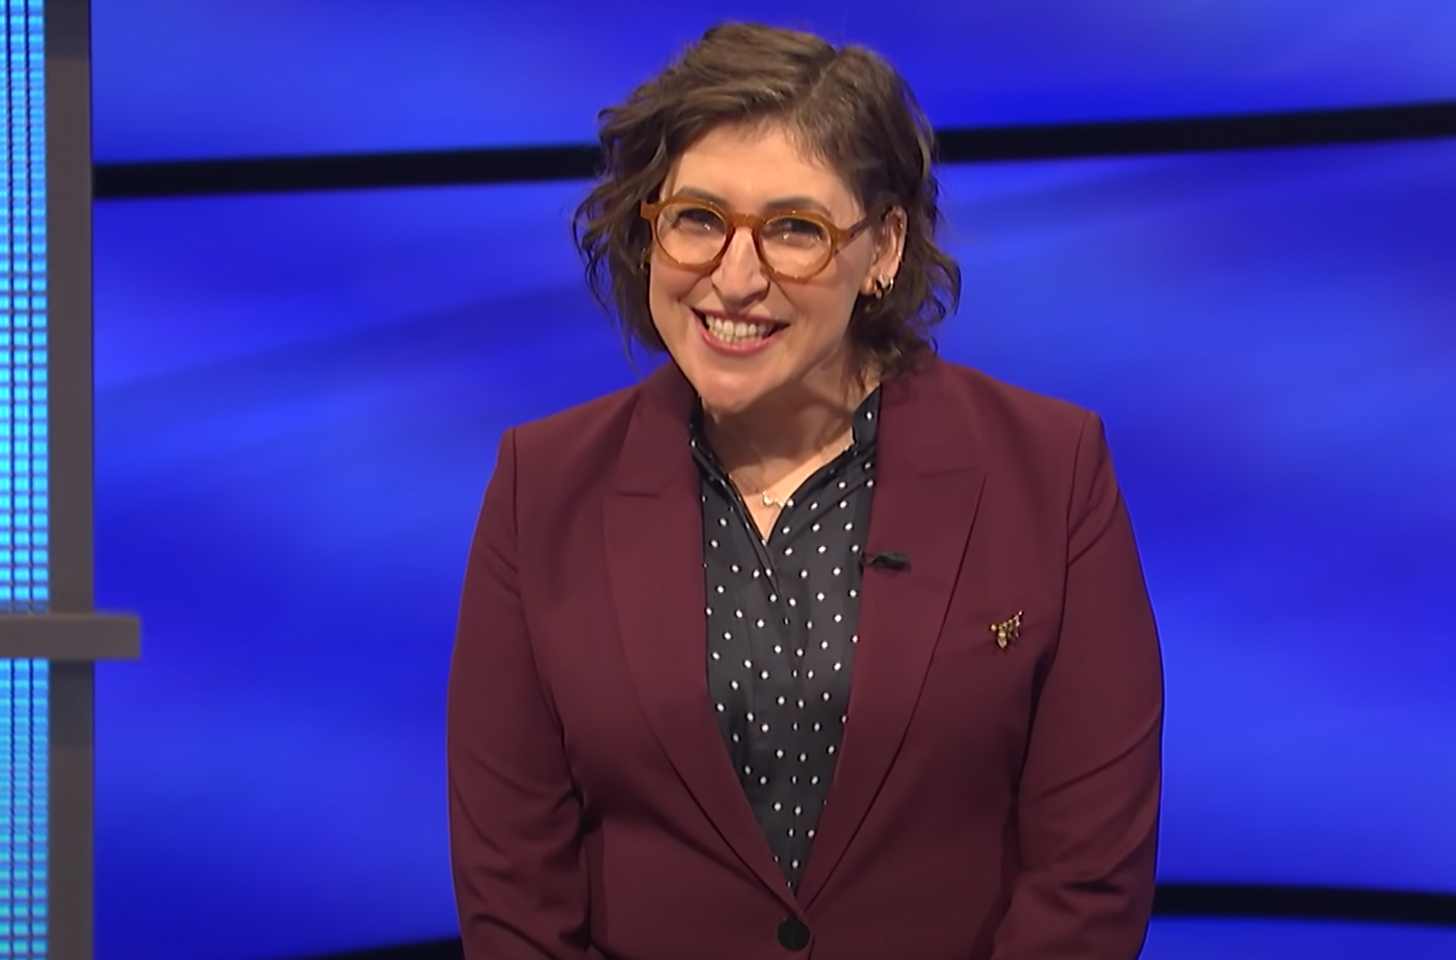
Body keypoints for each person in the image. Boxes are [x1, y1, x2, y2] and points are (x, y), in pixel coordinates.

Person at [447, 21, 1162, 960]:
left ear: (884, 248)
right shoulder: (542, 487)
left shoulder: (1050, 471)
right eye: (698, 218)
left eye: (795, 230)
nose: (736, 278)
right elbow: (514, 896)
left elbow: (1088, 881)